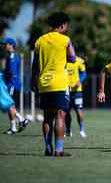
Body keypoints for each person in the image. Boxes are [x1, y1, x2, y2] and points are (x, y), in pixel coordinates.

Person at [32, 12, 76, 157]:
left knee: (47, 117)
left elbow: (35, 64)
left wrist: (33, 82)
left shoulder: (40, 40)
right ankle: (58, 150)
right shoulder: (65, 39)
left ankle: (47, 148)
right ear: (63, 25)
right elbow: (73, 58)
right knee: (60, 116)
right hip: (59, 83)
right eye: (67, 25)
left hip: (44, 83)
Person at [1, 37, 29, 134]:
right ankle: (14, 126)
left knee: (9, 104)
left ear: (11, 45)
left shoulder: (13, 57)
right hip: (10, 83)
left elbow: (12, 72)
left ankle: (21, 120)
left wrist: (4, 76)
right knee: (9, 105)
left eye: (6, 44)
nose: (4, 46)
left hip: (12, 83)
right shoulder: (9, 56)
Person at [65, 56, 87, 138]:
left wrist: (79, 81)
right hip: (65, 90)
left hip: (77, 91)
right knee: (66, 112)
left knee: (79, 111)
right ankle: (68, 130)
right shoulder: (61, 60)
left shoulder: (79, 60)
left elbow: (84, 73)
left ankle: (82, 130)